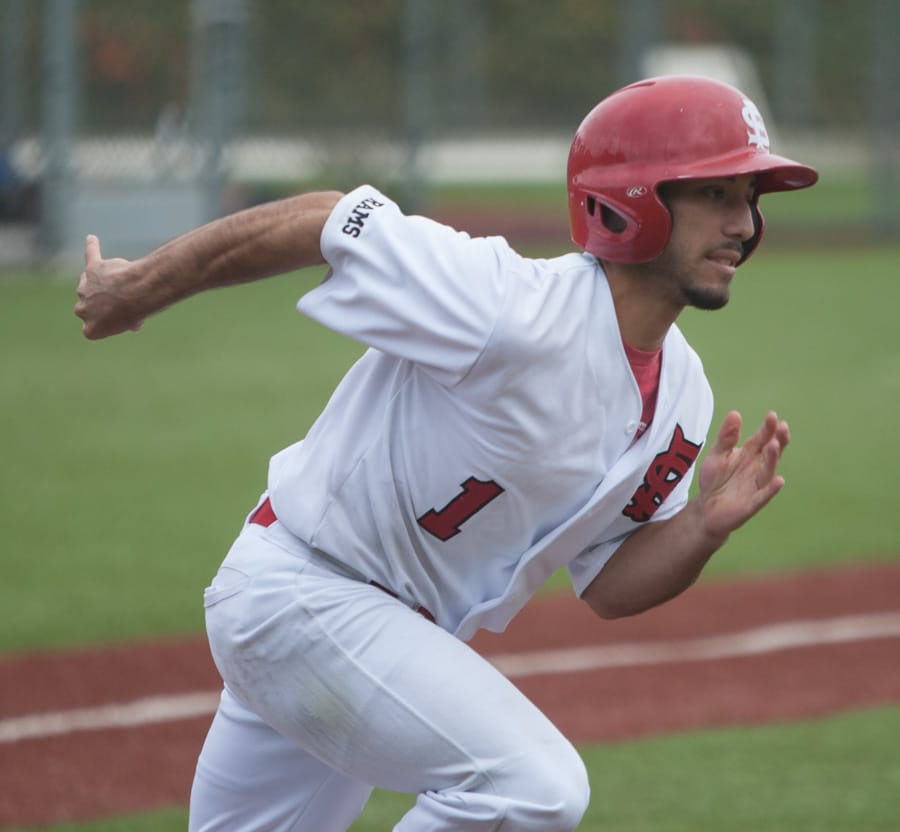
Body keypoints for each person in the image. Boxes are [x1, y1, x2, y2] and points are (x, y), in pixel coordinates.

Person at [74, 75, 817, 832]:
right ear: (629, 201)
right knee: (534, 787)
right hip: (305, 594)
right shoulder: (507, 306)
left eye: (751, 197)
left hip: (361, 634)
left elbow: (608, 585)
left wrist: (700, 527)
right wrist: (138, 288)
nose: (745, 223)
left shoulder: (684, 395)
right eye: (717, 194)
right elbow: (322, 219)